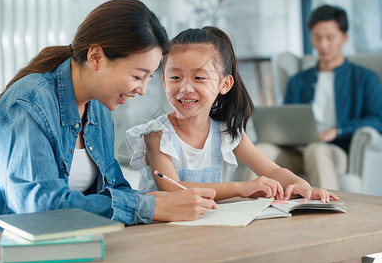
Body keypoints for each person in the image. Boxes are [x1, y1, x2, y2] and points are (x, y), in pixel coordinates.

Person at [0, 0, 217, 239]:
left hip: (68, 246)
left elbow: (115, 189)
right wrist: (151, 207)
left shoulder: (99, 109)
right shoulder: (29, 102)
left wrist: (163, 201)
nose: (143, 89)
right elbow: (39, 209)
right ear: (96, 57)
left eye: (149, 77)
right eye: (138, 76)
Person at [126, 26, 336, 202]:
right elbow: (172, 188)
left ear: (224, 84)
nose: (185, 88)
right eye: (175, 77)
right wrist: (240, 188)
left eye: (199, 78)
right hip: (164, 229)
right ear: (163, 81)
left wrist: (301, 184)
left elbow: (272, 172)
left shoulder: (227, 131)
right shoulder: (156, 134)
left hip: (212, 223)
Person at [255, 5, 382, 190]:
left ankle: (328, 210)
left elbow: (379, 120)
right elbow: (285, 119)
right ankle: (253, 210)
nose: (323, 44)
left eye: (330, 37)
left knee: (315, 150)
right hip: (296, 151)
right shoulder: (299, 80)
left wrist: (337, 130)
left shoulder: (365, 78)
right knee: (262, 150)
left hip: (333, 151)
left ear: (344, 38)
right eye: (317, 37)